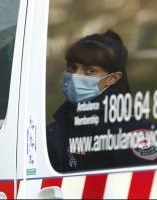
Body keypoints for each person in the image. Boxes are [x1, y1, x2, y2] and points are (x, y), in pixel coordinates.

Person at [47, 30, 156, 172]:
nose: (75, 76)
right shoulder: (59, 125)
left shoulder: (130, 129)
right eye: (72, 67)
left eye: (90, 71)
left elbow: (145, 184)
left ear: (112, 79)